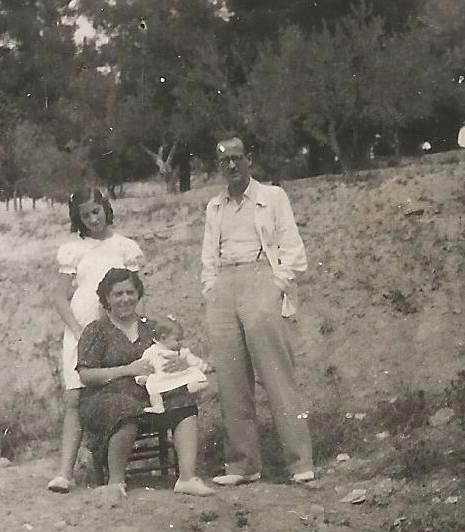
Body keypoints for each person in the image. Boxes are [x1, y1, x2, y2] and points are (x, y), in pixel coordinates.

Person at [201, 137, 314, 486]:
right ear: (219, 167)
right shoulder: (214, 207)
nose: (232, 166)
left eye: (237, 159)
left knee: (277, 374)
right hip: (224, 285)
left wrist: (276, 284)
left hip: (261, 275)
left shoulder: (273, 197)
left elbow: (292, 248)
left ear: (249, 160)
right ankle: (242, 465)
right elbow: (208, 256)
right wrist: (211, 288)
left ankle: (299, 462)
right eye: (225, 162)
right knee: (232, 379)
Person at [76, 267, 214, 501]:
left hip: (150, 394)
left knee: (182, 400)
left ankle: (188, 478)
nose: (125, 299)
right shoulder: (96, 330)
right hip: (105, 397)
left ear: (138, 294)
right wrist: (127, 370)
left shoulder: (151, 327)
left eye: (130, 292)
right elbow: (86, 375)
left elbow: (175, 352)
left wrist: (179, 363)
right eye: (118, 294)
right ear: (106, 299)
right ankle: (116, 482)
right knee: (125, 408)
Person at [47, 187, 144, 493]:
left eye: (96, 211)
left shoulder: (125, 247)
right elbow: (60, 298)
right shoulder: (73, 249)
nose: (92, 219)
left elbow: (138, 295)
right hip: (81, 328)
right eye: (85, 215)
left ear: (106, 208)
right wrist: (78, 331)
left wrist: (139, 330)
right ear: (78, 218)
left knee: (116, 391)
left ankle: (108, 468)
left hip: (118, 328)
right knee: (76, 397)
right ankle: (65, 472)